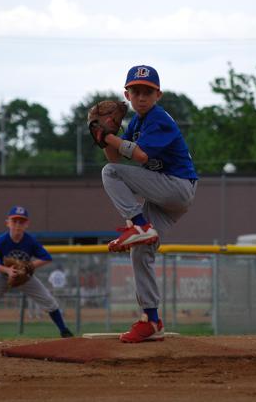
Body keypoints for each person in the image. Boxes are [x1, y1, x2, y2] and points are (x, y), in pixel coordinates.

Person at [100, 64, 198, 343]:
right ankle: (151, 320)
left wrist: (109, 137)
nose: (141, 97)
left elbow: (141, 156)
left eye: (148, 92)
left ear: (158, 95)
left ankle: (139, 225)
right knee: (141, 251)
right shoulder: (136, 123)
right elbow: (115, 157)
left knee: (110, 175)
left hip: (177, 186)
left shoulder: (158, 118)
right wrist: (105, 138)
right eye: (136, 91)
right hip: (166, 195)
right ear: (127, 95)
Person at [0, 206, 73, 340]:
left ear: (27, 224)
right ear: (7, 223)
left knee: (49, 301)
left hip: (25, 277)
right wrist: (8, 270)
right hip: (3, 276)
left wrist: (28, 266)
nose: (18, 225)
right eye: (14, 221)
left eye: (21, 222)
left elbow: (46, 258)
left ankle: (64, 331)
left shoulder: (30, 241)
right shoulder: (1, 241)